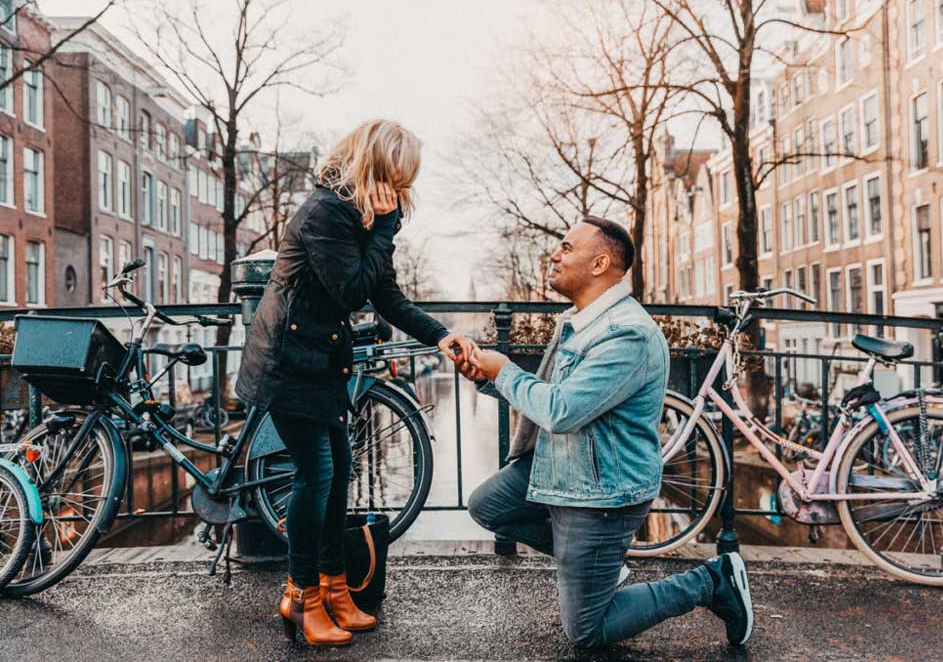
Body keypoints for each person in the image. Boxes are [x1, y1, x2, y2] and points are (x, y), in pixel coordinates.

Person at [461, 217, 754, 649]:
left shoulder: (626, 333)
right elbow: (554, 394)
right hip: (560, 470)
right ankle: (595, 565)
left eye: (565, 247)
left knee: (588, 632)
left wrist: (503, 371)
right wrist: (487, 376)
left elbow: (561, 410)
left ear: (599, 263)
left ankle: (711, 581)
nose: (555, 255)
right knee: (489, 505)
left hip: (601, 493)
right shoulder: (583, 321)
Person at [236, 120, 474, 647]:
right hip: (287, 363)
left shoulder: (357, 218)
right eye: (399, 177)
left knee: (337, 471)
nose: (404, 191)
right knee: (315, 476)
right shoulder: (326, 212)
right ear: (378, 170)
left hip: (318, 363)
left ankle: (336, 588)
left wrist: (440, 337)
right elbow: (350, 291)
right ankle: (302, 596)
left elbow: (386, 295)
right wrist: (385, 228)